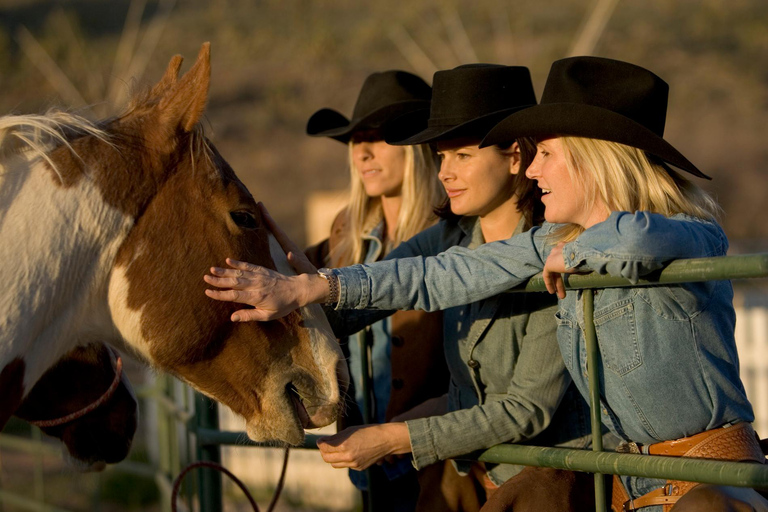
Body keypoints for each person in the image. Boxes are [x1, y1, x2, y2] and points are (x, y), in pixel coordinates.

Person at [204, 57, 768, 511]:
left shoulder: (688, 233)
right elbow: (440, 273)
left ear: (598, 160)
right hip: (629, 486)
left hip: (705, 485)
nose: (533, 169)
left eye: (547, 153)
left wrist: (577, 249)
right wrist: (310, 287)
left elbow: (642, 241)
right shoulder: (547, 243)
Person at [310, 63, 595, 511]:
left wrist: (390, 438)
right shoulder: (451, 235)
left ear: (515, 157)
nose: (444, 172)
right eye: (441, 157)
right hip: (471, 475)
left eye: (462, 156)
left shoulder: (559, 251)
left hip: (547, 482)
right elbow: (386, 285)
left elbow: (526, 410)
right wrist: (289, 308)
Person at [302, 69, 456, 512]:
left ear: (418, 147)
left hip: (436, 457)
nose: (363, 152)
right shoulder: (344, 234)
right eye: (355, 140)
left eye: (380, 137)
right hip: (363, 454)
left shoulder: (449, 234)